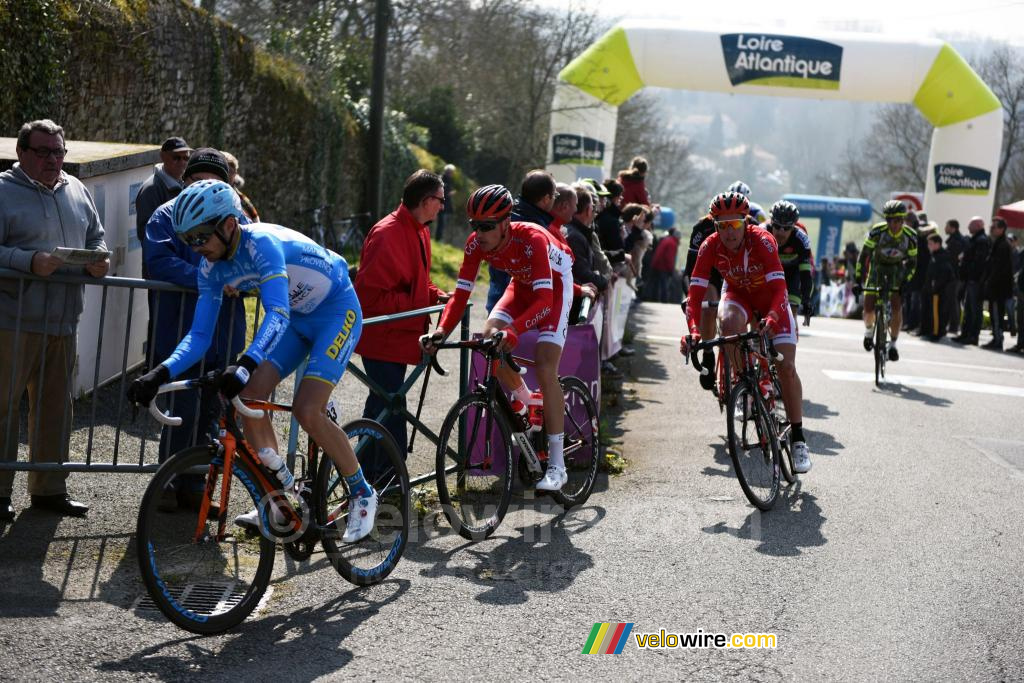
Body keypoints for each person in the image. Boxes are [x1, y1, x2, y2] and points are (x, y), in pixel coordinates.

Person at [127, 180, 376, 542]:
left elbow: (276, 313)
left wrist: (244, 363)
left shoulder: (262, 245)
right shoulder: (211, 269)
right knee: (249, 398)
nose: (197, 248)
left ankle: (363, 492)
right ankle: (281, 501)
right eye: (188, 241)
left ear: (229, 225)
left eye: (201, 237)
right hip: (297, 316)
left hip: (335, 310)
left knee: (308, 410)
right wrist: (159, 373)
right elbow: (199, 337)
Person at [421, 185, 593, 492]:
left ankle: (557, 466)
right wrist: (440, 331)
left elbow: (543, 302)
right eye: (474, 225)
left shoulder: (532, 238)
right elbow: (461, 295)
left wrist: (515, 330)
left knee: (544, 363)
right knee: (488, 341)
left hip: (553, 287)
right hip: (522, 283)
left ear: (505, 223)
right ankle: (526, 402)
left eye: (486, 226)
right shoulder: (476, 245)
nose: (479, 233)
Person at [0, 119, 109, 520]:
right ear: (22, 153)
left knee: (55, 408)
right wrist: (28, 261)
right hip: (12, 320)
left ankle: (48, 490)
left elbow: (96, 235)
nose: (53, 159)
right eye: (44, 151)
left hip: (63, 319)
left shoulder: (76, 189)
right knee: (3, 407)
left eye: (59, 151)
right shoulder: (2, 192)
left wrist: (99, 259)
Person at [142, 147, 247, 511]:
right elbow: (158, 261)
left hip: (224, 335)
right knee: (180, 411)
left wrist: (238, 280)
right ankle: (168, 484)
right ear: (186, 181)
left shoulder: (237, 219)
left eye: (216, 181)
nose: (207, 187)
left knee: (210, 415)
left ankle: (196, 484)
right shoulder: (165, 216)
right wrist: (211, 279)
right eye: (199, 179)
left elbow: (254, 260)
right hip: (181, 332)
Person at [679, 191, 811, 473]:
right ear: (715, 226)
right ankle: (746, 383)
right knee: (727, 324)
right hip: (739, 295)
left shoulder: (763, 240)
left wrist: (774, 316)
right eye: (722, 225)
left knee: (786, 366)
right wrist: (693, 331)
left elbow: (779, 289)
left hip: (770, 300)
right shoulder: (709, 246)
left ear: (746, 222)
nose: (729, 232)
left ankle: (798, 438)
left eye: (735, 225)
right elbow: (695, 294)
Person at [354, 169, 449, 477]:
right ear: (425, 200)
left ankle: (382, 477)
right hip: (383, 337)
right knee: (387, 409)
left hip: (400, 336)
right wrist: (422, 301)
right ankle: (373, 477)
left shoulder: (419, 229)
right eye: (440, 200)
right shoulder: (387, 233)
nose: (443, 206)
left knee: (388, 407)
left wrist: (435, 293)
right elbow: (368, 299)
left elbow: (415, 281)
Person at [854, 200, 918, 361]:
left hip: (896, 270)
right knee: (868, 307)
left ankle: (893, 344)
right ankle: (869, 331)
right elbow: (864, 256)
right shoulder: (878, 231)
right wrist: (857, 279)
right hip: (877, 268)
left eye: (896, 220)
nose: (892, 224)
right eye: (889, 220)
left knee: (897, 306)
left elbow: (912, 263)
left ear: (902, 220)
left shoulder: (910, 236)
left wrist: (906, 282)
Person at [485, 170, 557, 312]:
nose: (555, 199)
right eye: (555, 195)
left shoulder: (508, 214)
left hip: (497, 297)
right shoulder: (534, 228)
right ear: (546, 199)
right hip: (516, 303)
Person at [135, 136, 191, 245]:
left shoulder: (187, 185)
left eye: (186, 158)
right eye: (176, 158)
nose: (182, 162)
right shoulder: (151, 189)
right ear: (163, 157)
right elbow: (146, 233)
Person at [766, 200, 812, 325]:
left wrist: (807, 300)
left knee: (791, 312)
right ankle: (756, 343)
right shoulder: (762, 233)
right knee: (761, 309)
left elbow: (806, 273)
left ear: (793, 227)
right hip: (768, 271)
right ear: (771, 223)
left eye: (786, 228)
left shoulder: (801, 239)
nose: (781, 232)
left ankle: (790, 333)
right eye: (777, 226)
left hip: (792, 273)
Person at [954, 216, 990, 345]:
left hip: (975, 280)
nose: (968, 227)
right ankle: (965, 334)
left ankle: (973, 336)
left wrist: (968, 268)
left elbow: (979, 262)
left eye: (971, 225)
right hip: (970, 279)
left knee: (974, 310)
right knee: (968, 309)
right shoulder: (975, 240)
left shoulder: (981, 241)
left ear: (979, 226)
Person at [981, 217, 1014, 351]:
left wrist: (990, 282)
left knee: (996, 314)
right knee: (995, 314)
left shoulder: (1003, 245)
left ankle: (998, 339)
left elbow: (999, 268)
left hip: (999, 288)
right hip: (996, 286)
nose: (991, 229)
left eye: (994, 227)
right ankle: (996, 338)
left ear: (1001, 229)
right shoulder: (998, 243)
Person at [920, 233, 956, 341]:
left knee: (937, 312)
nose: (928, 246)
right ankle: (931, 330)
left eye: (930, 244)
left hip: (939, 290)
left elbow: (944, 274)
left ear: (938, 244)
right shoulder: (935, 255)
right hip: (934, 288)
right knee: (932, 311)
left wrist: (935, 286)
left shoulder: (942, 256)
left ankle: (936, 333)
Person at [943, 218, 968, 336]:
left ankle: (954, 326)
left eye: (947, 226)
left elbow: (952, 260)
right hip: (956, 276)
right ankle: (952, 325)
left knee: (953, 301)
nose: (945, 228)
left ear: (953, 228)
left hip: (954, 276)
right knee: (953, 300)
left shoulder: (956, 241)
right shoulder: (956, 239)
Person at [221, 150, 260, 222]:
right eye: (225, 170)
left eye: (231, 172)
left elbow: (256, 221)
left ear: (235, 173)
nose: (228, 175)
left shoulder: (242, 200)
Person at [650, 228, 681, 303]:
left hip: (657, 264)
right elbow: (669, 258)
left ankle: (655, 299)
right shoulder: (673, 243)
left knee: (658, 283)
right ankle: (664, 300)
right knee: (664, 284)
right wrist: (671, 270)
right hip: (663, 266)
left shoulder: (667, 240)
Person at [435, 164, 455, 242]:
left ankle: (439, 238)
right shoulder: (441, 178)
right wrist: (449, 194)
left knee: (442, 222)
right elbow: (440, 191)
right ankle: (438, 238)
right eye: (451, 172)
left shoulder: (448, 179)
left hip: (444, 203)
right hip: (439, 202)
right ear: (447, 171)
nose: (452, 174)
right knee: (440, 221)